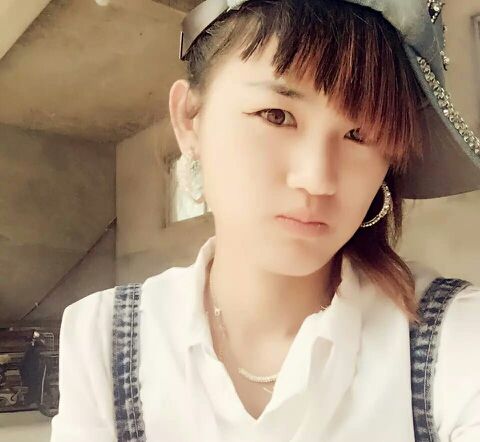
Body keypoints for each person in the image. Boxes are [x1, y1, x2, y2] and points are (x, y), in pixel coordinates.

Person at [50, 0, 480, 441]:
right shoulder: (103, 338)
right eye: (277, 116)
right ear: (190, 120)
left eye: (361, 134)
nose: (317, 179)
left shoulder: (454, 338)